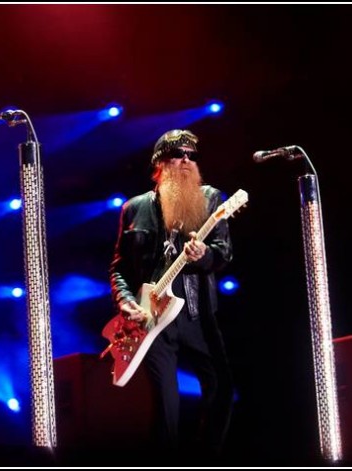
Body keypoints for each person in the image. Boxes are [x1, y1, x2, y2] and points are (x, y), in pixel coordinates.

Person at [109, 129, 234, 460]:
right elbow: (119, 268)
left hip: (196, 314)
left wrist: (203, 254)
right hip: (152, 320)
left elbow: (223, 253)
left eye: (192, 156)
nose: (186, 161)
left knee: (221, 389)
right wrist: (126, 302)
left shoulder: (210, 199)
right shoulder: (134, 208)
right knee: (166, 404)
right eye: (178, 154)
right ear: (159, 162)